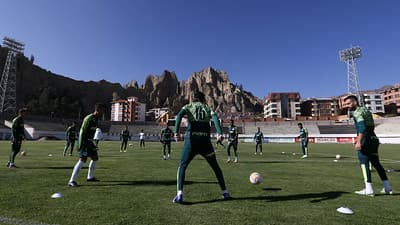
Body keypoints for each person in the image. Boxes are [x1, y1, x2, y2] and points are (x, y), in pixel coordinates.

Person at [173, 91, 231, 203]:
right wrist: (219, 133)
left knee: (182, 166)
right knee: (216, 167)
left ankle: (180, 194)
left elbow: (179, 115)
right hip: (205, 143)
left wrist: (176, 132)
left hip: (191, 141)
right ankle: (225, 192)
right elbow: (215, 118)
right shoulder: (207, 108)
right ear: (202, 98)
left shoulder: (188, 106)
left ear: (193, 98)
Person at [344, 95, 393, 196]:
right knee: (377, 164)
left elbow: (362, 127)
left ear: (355, 101)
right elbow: (371, 125)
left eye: (348, 103)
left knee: (364, 163)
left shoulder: (357, 112)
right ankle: (388, 187)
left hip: (365, 140)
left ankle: (369, 189)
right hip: (374, 139)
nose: (347, 106)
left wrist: (359, 141)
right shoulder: (366, 110)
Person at [68, 103, 106, 187]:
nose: (103, 112)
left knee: (95, 158)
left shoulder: (96, 119)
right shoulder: (89, 118)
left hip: (90, 142)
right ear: (98, 109)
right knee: (82, 160)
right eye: (102, 110)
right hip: (84, 142)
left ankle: (90, 177)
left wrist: (92, 143)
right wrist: (81, 144)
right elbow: (82, 131)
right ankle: (72, 181)